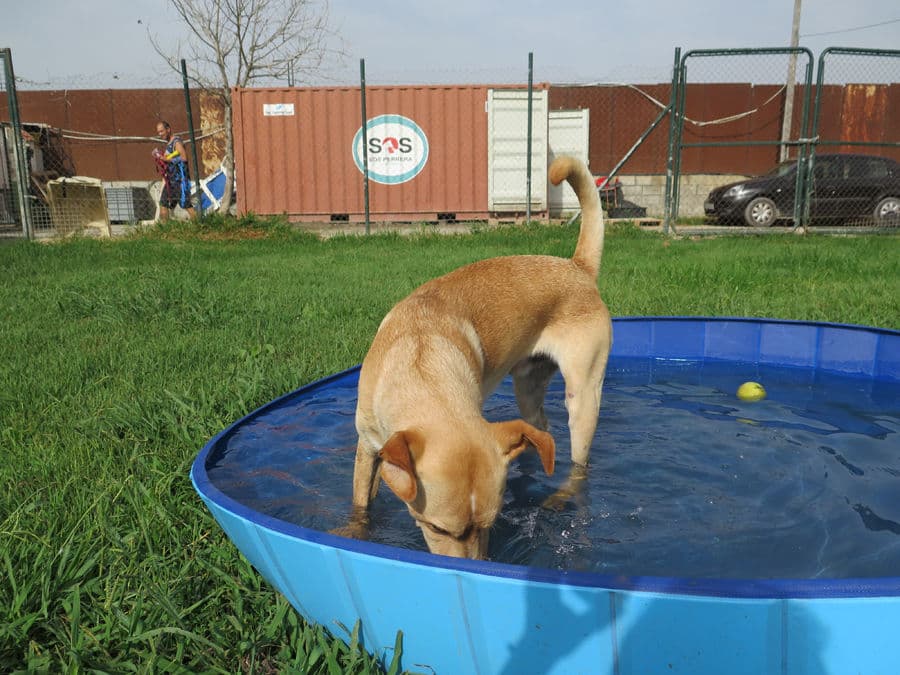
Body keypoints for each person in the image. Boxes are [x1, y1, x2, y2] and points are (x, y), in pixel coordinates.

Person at [153, 121, 196, 220]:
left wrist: (167, 159)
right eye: (158, 132)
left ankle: (200, 225)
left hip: (180, 179)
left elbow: (184, 158)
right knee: (163, 203)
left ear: (168, 129)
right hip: (170, 181)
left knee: (186, 204)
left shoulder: (176, 142)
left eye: (162, 131)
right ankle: (165, 231)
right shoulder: (169, 143)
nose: (160, 134)